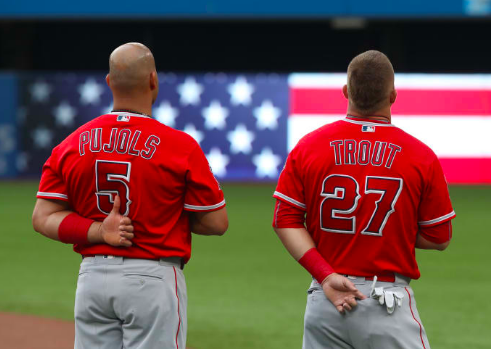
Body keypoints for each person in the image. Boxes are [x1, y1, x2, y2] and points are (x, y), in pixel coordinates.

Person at [32, 42, 228, 349]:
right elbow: (216, 223)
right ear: (153, 80)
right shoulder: (179, 146)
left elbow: (42, 217)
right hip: (152, 278)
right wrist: (165, 213)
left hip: (93, 279)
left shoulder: (70, 144)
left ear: (109, 82)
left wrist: (97, 230)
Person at [272, 50, 455, 349]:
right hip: (386, 301)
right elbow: (440, 236)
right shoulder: (421, 156)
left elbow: (285, 219)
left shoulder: (309, 147)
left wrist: (325, 275)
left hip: (325, 298)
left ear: (346, 91)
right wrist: (393, 229)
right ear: (393, 95)